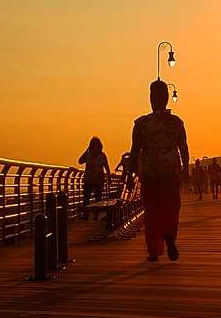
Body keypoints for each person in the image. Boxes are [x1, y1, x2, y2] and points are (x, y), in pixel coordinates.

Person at [125, 80, 189, 262]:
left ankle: (153, 250)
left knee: (152, 210)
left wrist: (129, 175)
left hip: (149, 170)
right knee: (171, 207)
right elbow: (183, 147)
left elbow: (135, 149)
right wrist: (185, 170)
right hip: (170, 170)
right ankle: (169, 234)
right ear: (167, 98)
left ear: (151, 98)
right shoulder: (176, 123)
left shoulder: (142, 123)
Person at [78, 136, 111, 220]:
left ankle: (96, 216)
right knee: (86, 198)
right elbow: (80, 161)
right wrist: (86, 150)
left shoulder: (102, 155)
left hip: (98, 180)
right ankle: (86, 215)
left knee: (98, 199)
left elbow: (106, 166)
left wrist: (109, 177)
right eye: (93, 145)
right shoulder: (88, 155)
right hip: (88, 179)